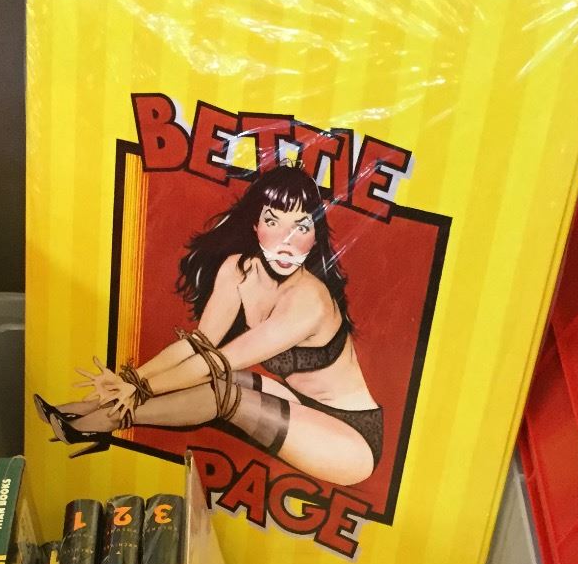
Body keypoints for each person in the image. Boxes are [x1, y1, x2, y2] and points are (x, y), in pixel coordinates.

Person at [33, 163, 383, 487]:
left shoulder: (309, 300)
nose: (286, 242)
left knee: (223, 392)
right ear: (255, 225)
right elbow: (198, 345)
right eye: (273, 221)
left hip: (351, 440)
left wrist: (139, 388)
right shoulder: (239, 269)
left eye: (301, 227)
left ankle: (98, 424)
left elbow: (217, 362)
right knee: (217, 378)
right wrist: (131, 379)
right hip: (298, 404)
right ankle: (73, 414)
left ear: (315, 234)